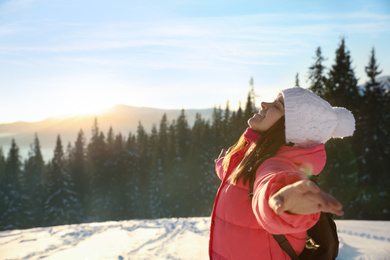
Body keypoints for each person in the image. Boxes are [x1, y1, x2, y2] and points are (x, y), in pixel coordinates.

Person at [209, 87, 355, 260]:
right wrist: (227, 164)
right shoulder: (257, 155)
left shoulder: (277, 165)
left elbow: (269, 184)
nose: (264, 104)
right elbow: (242, 180)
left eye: (277, 107)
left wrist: (287, 203)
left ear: (290, 129)